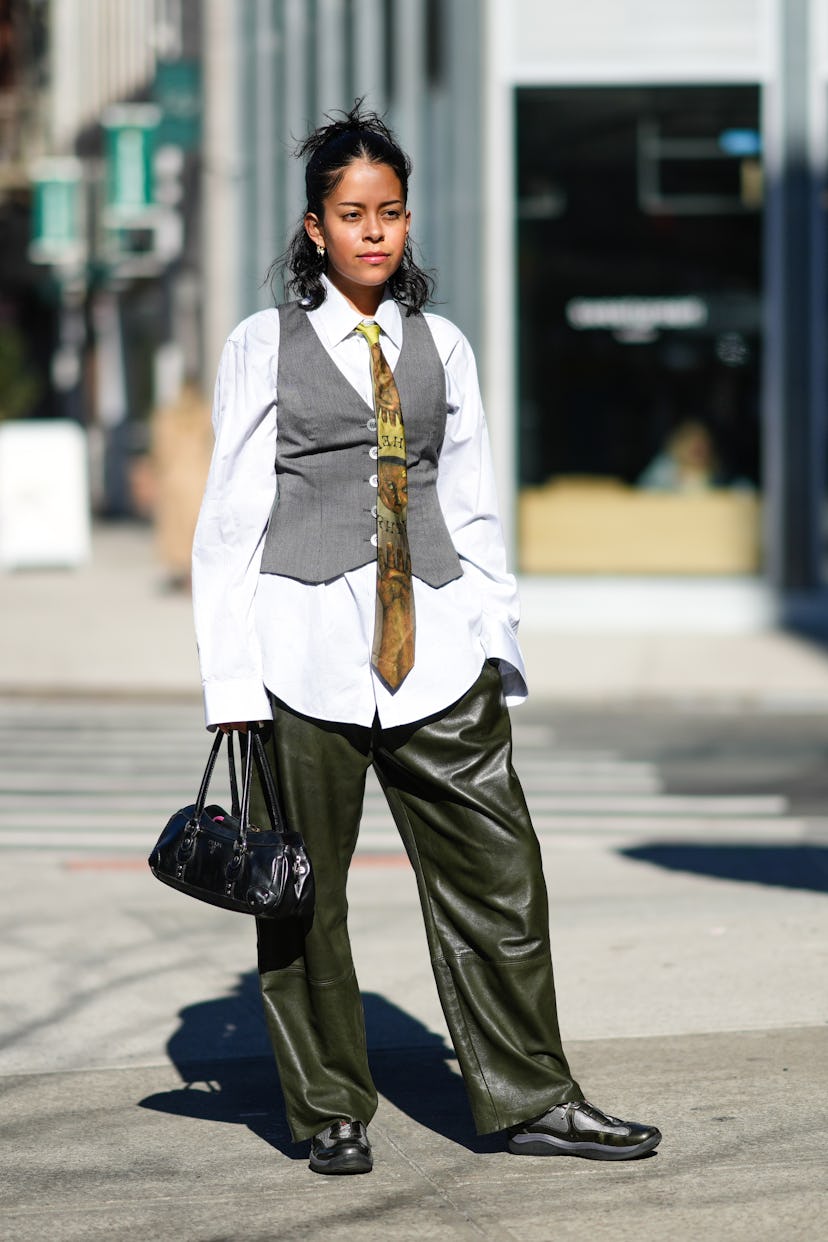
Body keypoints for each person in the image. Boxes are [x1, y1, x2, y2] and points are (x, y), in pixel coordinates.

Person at [192, 102, 661, 1176]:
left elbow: (478, 496)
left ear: (406, 222)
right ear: (315, 227)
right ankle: (329, 1111)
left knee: (503, 875)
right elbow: (227, 520)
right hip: (301, 651)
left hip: (437, 648)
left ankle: (534, 1096)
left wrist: (496, 633)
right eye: (352, 214)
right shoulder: (262, 345)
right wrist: (230, 676)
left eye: (390, 212)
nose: (373, 232)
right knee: (302, 896)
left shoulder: (442, 344)